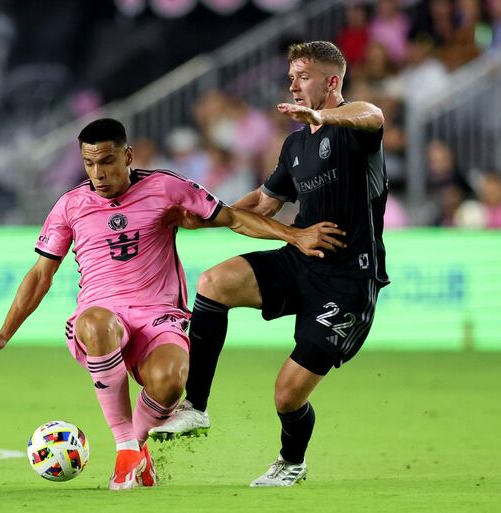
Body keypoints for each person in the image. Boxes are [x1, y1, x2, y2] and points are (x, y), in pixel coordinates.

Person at [0, 118, 346, 490]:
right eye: (90, 163)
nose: (99, 173)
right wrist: (5, 332)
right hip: (101, 316)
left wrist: (294, 237)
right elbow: (41, 274)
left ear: (127, 156)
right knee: (94, 322)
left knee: (172, 381)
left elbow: (233, 218)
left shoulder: (166, 187)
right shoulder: (70, 206)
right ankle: (126, 450)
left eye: (107, 161)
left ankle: (136, 447)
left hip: (158, 317)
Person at [150, 41, 389, 487]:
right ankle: (195, 407)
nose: (293, 85)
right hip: (300, 259)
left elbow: (372, 114)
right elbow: (264, 202)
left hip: (349, 281)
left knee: (286, 395)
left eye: (303, 76)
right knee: (214, 282)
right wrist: (206, 219)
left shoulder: (355, 129)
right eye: (291, 76)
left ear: (331, 81)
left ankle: (291, 462)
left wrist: (324, 116)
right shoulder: (295, 144)